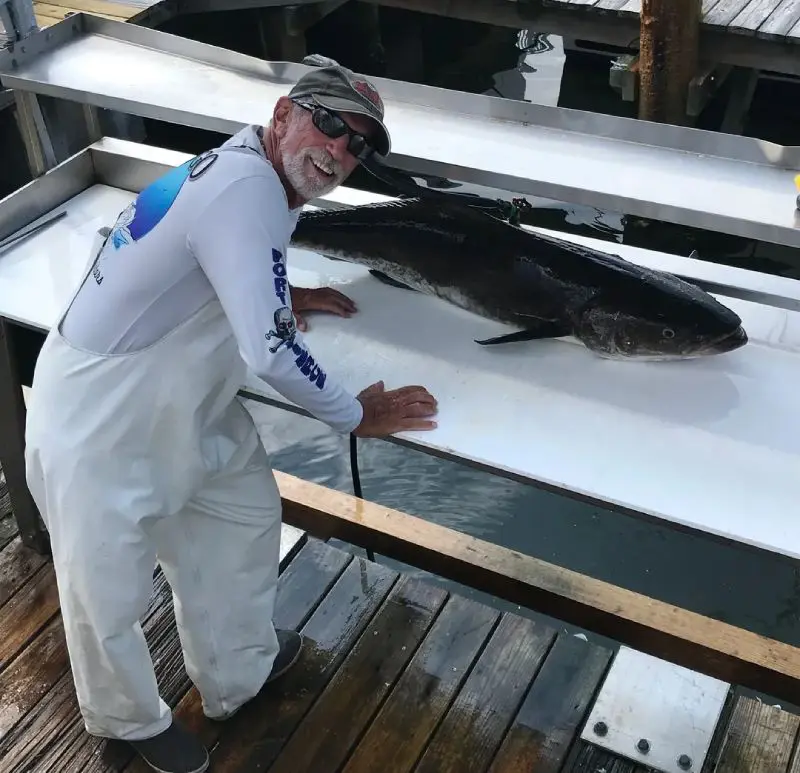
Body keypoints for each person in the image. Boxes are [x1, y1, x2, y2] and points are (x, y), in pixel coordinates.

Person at [24, 60, 438, 773]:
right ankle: (126, 724)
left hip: (183, 406)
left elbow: (215, 255)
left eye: (358, 145)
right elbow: (272, 355)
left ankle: (236, 667)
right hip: (98, 417)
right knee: (104, 589)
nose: (340, 151)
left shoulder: (255, 174)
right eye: (331, 124)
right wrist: (354, 413)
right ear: (284, 114)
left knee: (243, 516)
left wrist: (279, 292)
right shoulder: (248, 189)